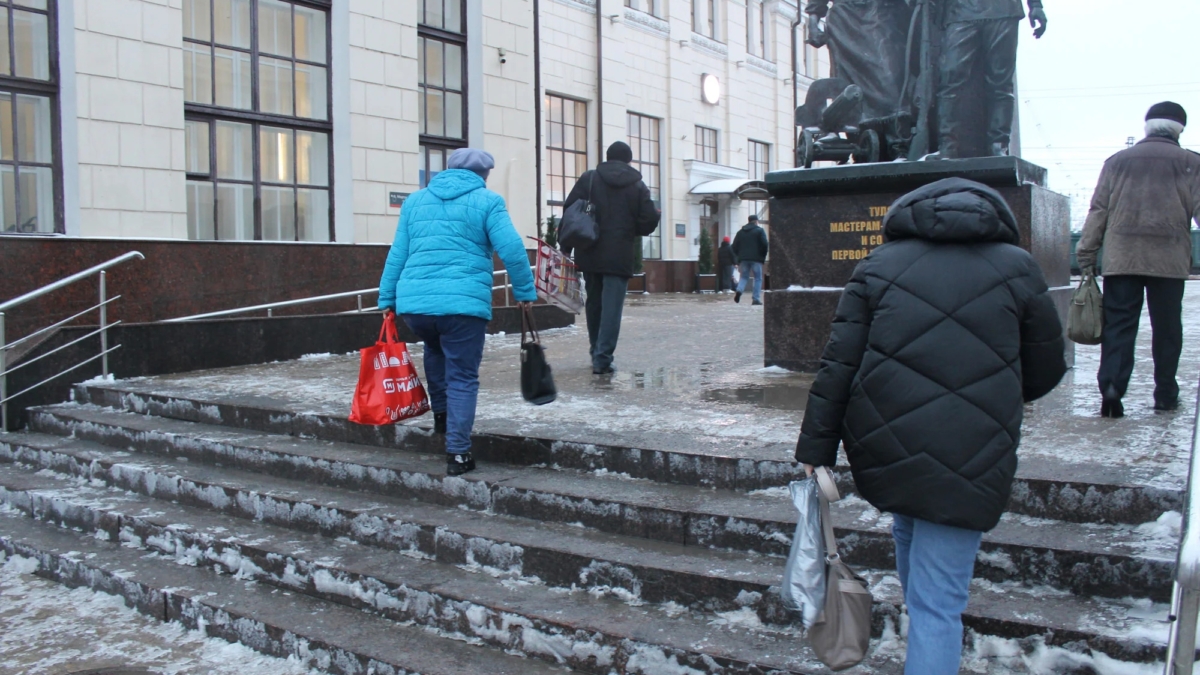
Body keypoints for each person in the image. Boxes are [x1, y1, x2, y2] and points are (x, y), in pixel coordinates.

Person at [795, 178, 1066, 675]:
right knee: (937, 605)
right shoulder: (1018, 268)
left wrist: (816, 446)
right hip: (974, 452)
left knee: (918, 568)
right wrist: (993, 395)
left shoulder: (878, 266)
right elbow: (1048, 367)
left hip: (889, 445)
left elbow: (838, 366)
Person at [378, 148, 537, 476]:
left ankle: (443, 418)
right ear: (484, 174)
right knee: (462, 375)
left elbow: (398, 253)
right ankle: (459, 453)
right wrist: (524, 292)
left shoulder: (415, 201)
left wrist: (387, 299)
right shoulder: (488, 201)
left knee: (435, 351)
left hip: (416, 306)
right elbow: (511, 249)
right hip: (462, 305)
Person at [1076, 102, 1200, 418]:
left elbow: (1099, 210)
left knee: (1118, 325)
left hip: (1122, 258)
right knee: (1168, 328)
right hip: (1169, 260)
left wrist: (1087, 253)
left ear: (1147, 126)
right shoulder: (1191, 163)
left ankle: (1112, 391)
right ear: (1179, 129)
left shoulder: (1117, 162)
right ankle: (1166, 395)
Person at [562, 141, 660, 375]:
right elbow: (648, 220)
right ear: (628, 160)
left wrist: (566, 246)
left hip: (590, 250)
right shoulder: (637, 185)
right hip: (619, 255)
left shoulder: (590, 178)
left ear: (607, 157)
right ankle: (602, 358)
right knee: (612, 309)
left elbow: (570, 211)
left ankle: (596, 350)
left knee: (594, 304)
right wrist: (629, 228)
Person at [936, 0, 1047, 157]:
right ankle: (947, 144)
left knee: (1000, 82)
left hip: (1003, 10)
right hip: (960, 12)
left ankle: (999, 145)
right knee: (950, 77)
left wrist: (1036, 5)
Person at [732, 214, 769, 305]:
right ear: (756, 221)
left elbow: (733, 247)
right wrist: (762, 256)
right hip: (756, 259)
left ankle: (739, 290)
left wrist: (739, 256)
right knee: (758, 278)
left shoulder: (740, 232)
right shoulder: (760, 231)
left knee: (744, 277)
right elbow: (765, 244)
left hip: (744, 259)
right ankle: (755, 298)